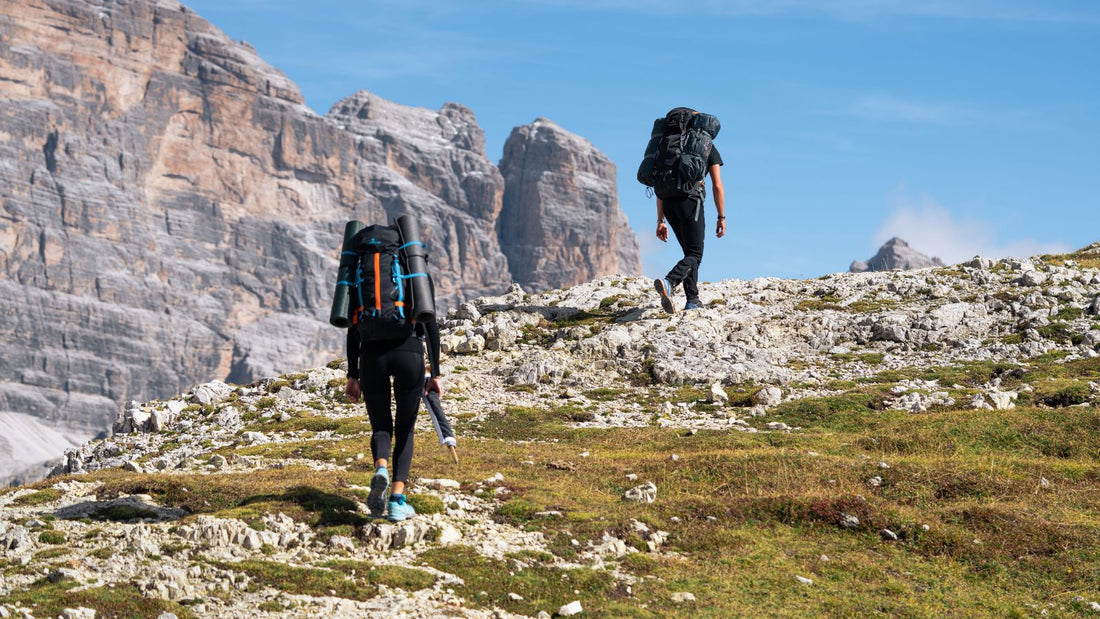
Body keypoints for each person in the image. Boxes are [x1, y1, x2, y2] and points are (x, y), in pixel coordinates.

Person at [344, 279, 442, 522]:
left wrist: (352, 375)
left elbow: (353, 329)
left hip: (371, 355)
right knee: (405, 428)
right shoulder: (415, 269)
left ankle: (381, 468)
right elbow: (430, 324)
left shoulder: (362, 272)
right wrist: (435, 374)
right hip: (409, 350)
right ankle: (397, 501)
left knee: (381, 426)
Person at [653, 117, 726, 313]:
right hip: (690, 203)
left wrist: (660, 220)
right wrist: (721, 217)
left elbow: (660, 186)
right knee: (695, 253)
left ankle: (692, 300)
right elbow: (717, 185)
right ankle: (669, 282)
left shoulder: (667, 146)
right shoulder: (705, 146)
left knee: (690, 253)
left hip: (668, 204)